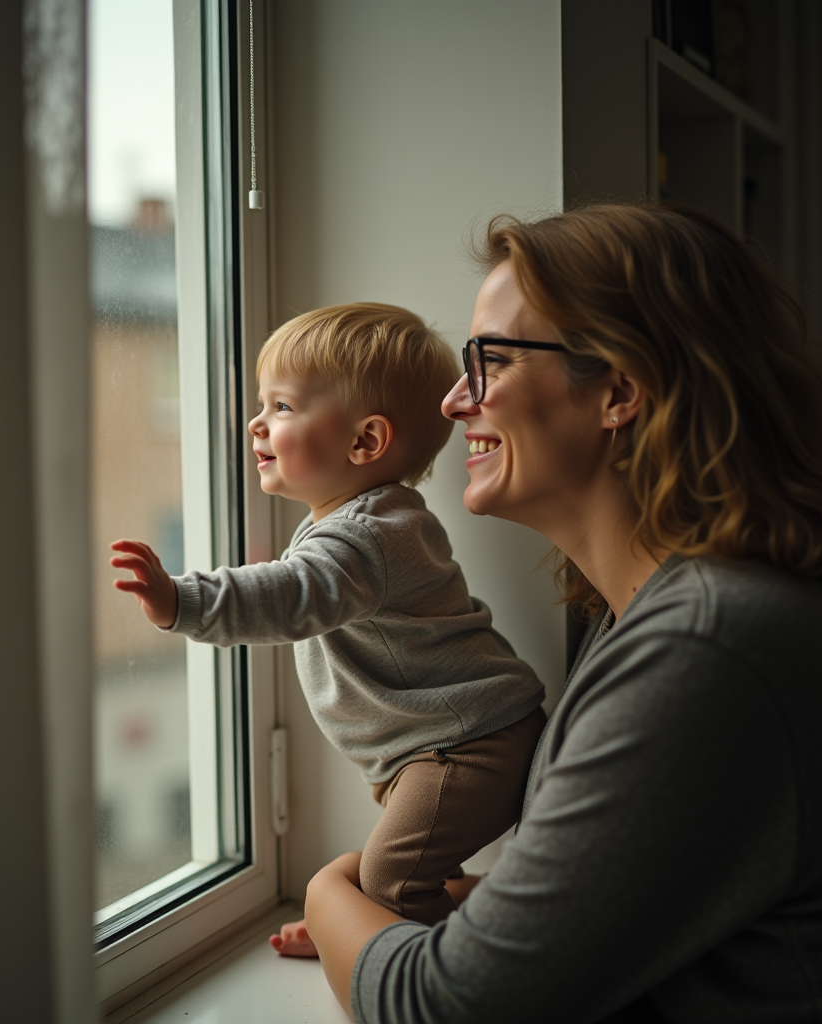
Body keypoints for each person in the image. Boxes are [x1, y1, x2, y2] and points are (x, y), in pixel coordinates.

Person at [303, 203, 822, 1023]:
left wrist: (332, 892)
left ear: (618, 389)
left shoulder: (706, 647)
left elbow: (443, 1009)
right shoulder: (654, 621)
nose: (452, 402)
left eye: (491, 360)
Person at [109, 302, 546, 954]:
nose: (257, 422)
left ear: (365, 442)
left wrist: (184, 599)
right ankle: (387, 918)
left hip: (470, 746)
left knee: (394, 880)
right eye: (264, 404)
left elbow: (290, 595)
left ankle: (417, 956)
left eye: (282, 407)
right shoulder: (354, 524)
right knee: (409, 872)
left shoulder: (371, 535)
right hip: (439, 746)